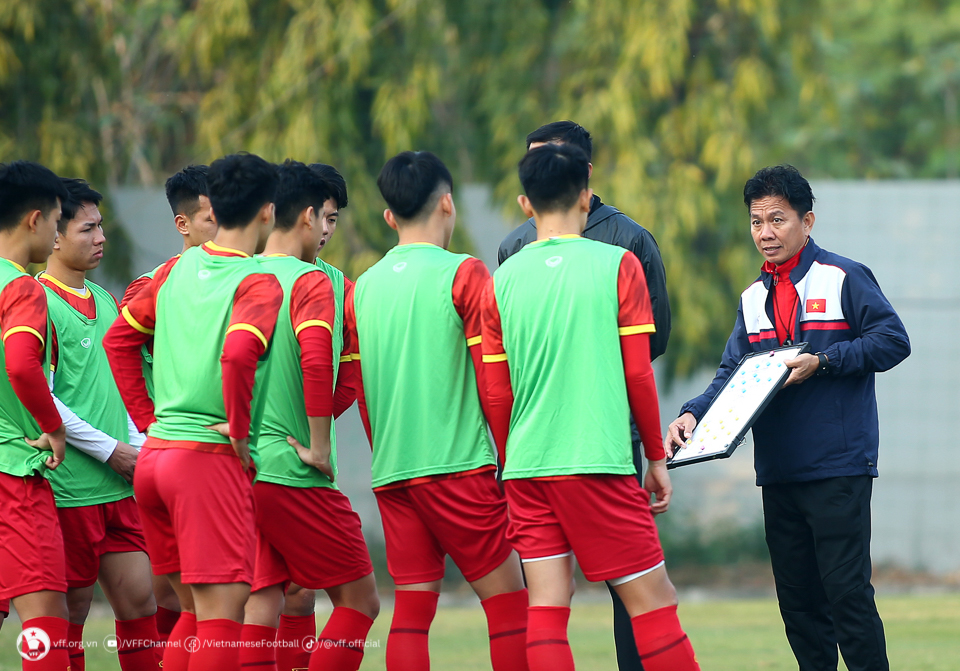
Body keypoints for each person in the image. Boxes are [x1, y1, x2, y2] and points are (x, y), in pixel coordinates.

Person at [666, 165, 910, 671]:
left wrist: (825, 361)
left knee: (847, 597)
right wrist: (692, 414)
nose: (765, 233)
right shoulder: (752, 298)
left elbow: (892, 340)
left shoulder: (843, 276)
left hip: (838, 466)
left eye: (778, 219)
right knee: (798, 605)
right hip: (778, 472)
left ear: (808, 221)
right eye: (757, 222)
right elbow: (732, 372)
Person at [482, 143, 699, 671]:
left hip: (527, 468)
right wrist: (654, 457)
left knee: (548, 607)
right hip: (597, 461)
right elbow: (637, 372)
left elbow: (494, 391)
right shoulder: (618, 264)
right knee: (654, 600)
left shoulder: (501, 279)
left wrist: (513, 460)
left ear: (525, 203)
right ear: (585, 195)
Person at [104, 153, 283, 671]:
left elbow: (119, 341)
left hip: (157, 459)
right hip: (205, 460)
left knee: (193, 612)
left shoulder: (173, 271)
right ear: (268, 212)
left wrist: (148, 421)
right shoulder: (257, 280)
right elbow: (238, 353)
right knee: (225, 613)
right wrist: (241, 430)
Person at [351, 151, 529, 671]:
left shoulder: (363, 286)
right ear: (447, 203)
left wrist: (385, 451)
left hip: (393, 473)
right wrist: (508, 459)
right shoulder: (466, 274)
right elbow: (494, 383)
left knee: (411, 610)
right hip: (460, 468)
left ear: (389, 217)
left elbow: (363, 392)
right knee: (508, 606)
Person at [240, 160, 379, 671]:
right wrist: (316, 440)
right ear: (305, 215)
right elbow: (324, 362)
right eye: (328, 217)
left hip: (236, 467)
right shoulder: (316, 283)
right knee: (360, 602)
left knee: (263, 599)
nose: (328, 230)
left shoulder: (231, 273)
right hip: (294, 469)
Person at [37, 177, 160, 671]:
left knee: (140, 605)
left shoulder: (107, 302)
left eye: (102, 226)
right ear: (54, 234)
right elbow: (42, 400)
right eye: (87, 228)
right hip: (70, 489)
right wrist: (113, 451)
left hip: (121, 485)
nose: (101, 237)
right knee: (72, 612)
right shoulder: (36, 301)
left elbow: (121, 389)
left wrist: (139, 448)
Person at [118, 164, 216, 644]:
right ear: (183, 224)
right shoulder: (156, 283)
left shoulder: (241, 274)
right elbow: (121, 349)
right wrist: (147, 422)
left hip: (223, 451)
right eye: (209, 219)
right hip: (180, 452)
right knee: (181, 596)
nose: (222, 227)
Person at [272, 162, 357, 671]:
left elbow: (347, 371)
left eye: (335, 220)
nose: (326, 230)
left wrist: (314, 420)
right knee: (239, 601)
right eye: (323, 217)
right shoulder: (239, 271)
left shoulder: (338, 286)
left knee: (298, 594)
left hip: (306, 454)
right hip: (267, 462)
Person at [0, 160, 71, 670]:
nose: (57, 233)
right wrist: (54, 427)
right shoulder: (22, 287)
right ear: (34, 219)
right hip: (12, 469)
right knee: (47, 615)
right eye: (57, 220)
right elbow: (23, 364)